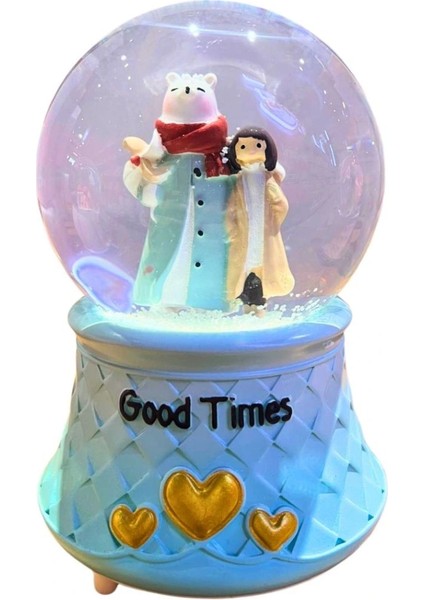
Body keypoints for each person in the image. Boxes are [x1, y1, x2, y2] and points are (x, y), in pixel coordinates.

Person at [226, 127, 295, 308]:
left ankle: (258, 305)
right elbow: (230, 206)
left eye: (257, 146)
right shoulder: (238, 181)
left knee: (264, 269)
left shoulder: (266, 179)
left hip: (264, 233)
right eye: (243, 147)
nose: (250, 151)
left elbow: (281, 204)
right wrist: (231, 225)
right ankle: (245, 303)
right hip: (243, 234)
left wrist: (272, 222)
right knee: (242, 270)